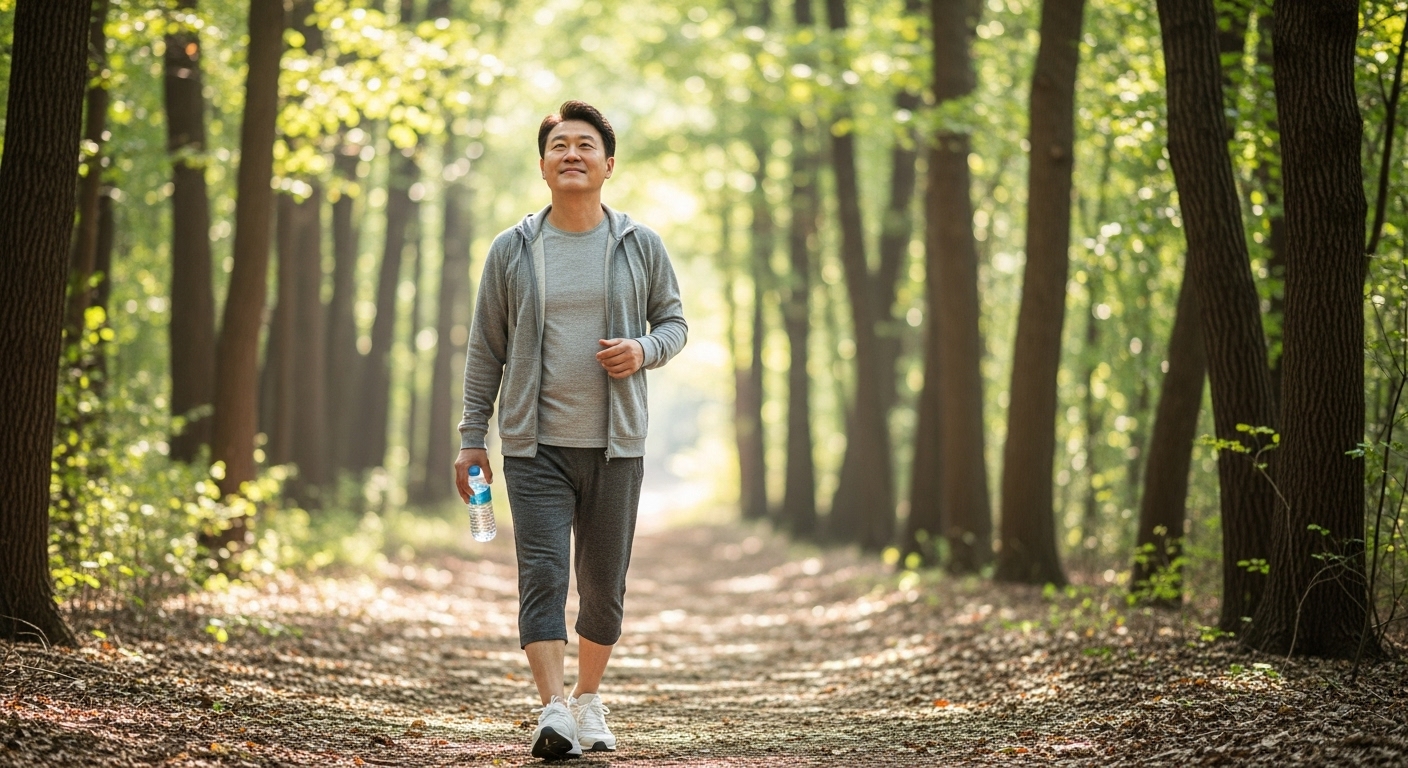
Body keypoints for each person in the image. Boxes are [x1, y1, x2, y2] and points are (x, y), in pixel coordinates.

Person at [453, 100, 688, 760]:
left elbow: (675, 323)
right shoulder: (513, 250)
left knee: (603, 590)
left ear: (608, 164)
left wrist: (644, 350)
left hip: (618, 446)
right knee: (544, 579)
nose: (572, 154)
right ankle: (552, 709)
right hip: (534, 447)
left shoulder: (640, 245)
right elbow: (485, 349)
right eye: (560, 146)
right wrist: (474, 437)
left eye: (586, 145)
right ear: (543, 165)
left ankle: (588, 698)